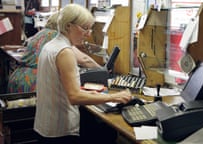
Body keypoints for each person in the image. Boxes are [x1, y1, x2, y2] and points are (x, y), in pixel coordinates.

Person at [34, 4, 132, 144]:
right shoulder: (65, 52)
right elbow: (74, 97)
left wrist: (92, 94)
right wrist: (115, 97)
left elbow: (60, 87)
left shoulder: (51, 45)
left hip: (45, 126)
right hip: (59, 131)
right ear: (68, 26)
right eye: (85, 28)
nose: (89, 33)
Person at [7, 12, 100, 93]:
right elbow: (84, 60)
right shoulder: (56, 36)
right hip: (33, 81)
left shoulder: (42, 33)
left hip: (18, 78)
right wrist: (103, 71)